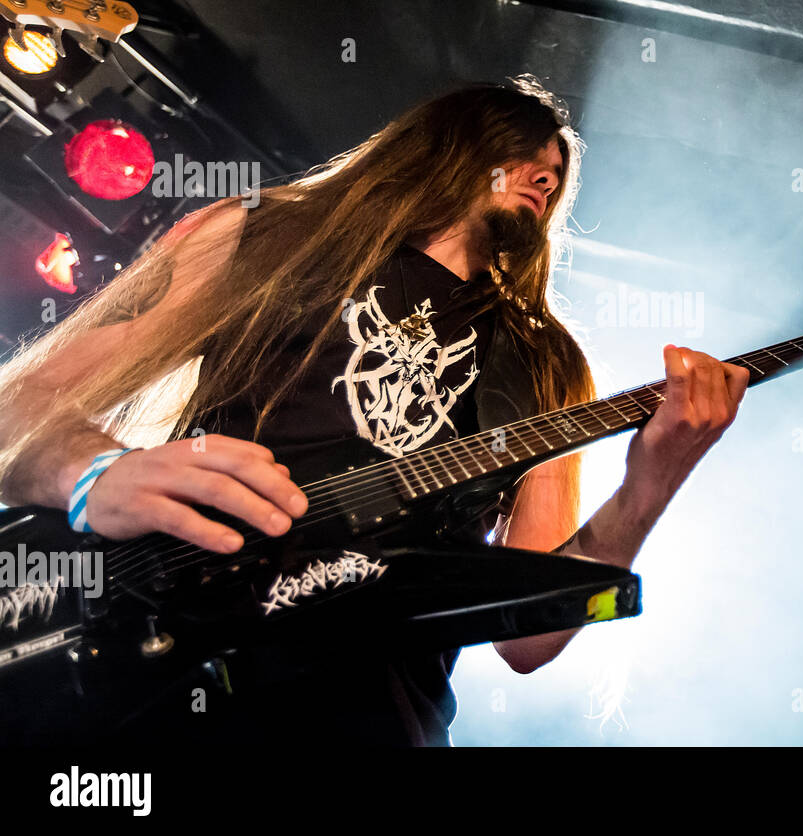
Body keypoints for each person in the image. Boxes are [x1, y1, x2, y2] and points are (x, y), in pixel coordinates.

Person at [0, 75, 748, 745]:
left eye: (554, 179)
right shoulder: (267, 235)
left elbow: (529, 643)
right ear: (451, 147)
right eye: (522, 155)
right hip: (162, 652)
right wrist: (95, 471)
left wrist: (652, 482)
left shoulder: (545, 358)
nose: (546, 179)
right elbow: (22, 403)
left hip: (375, 714)